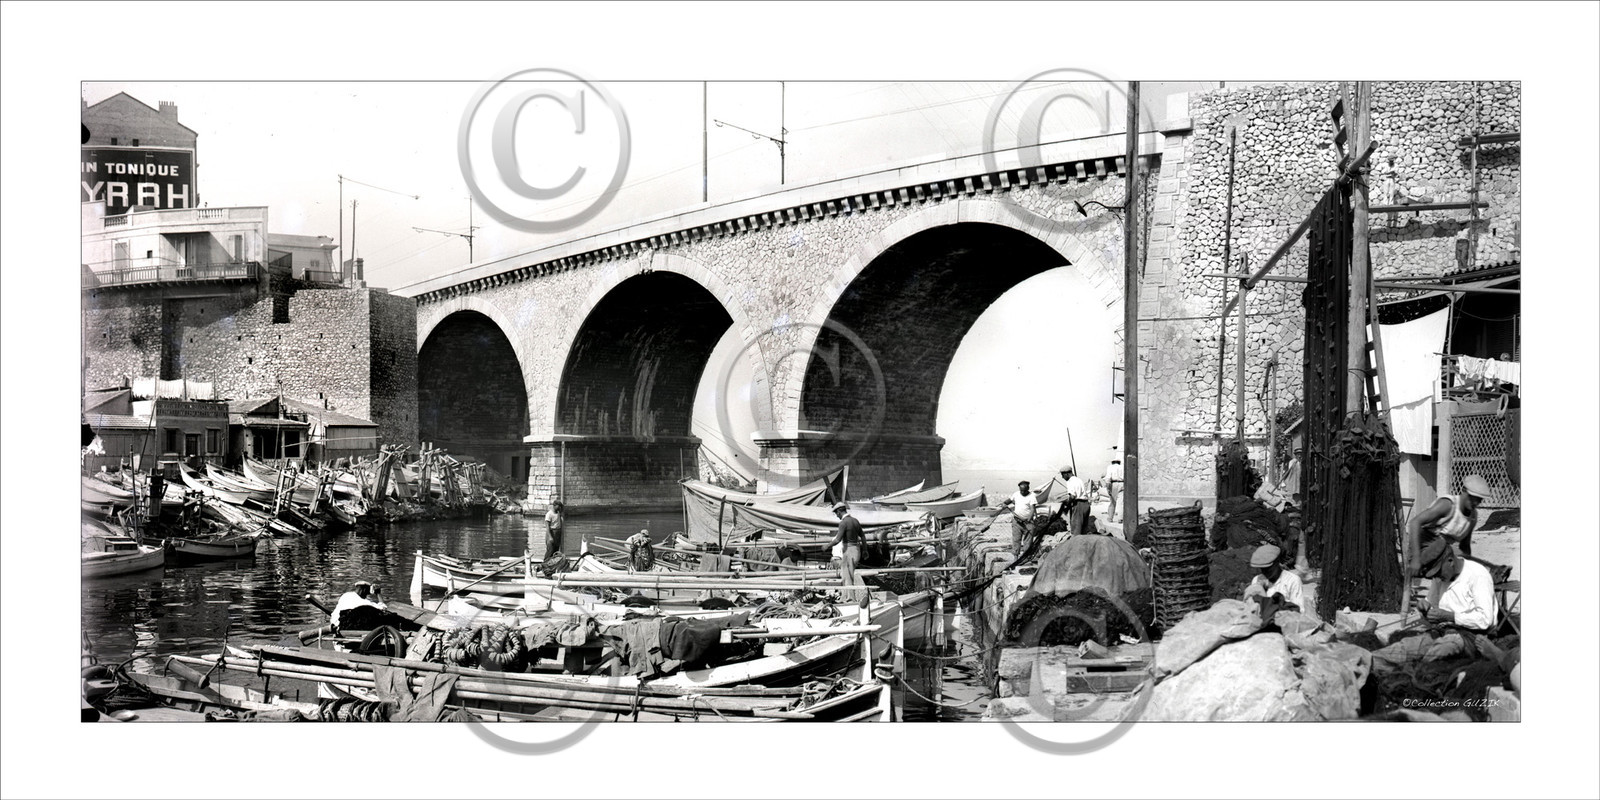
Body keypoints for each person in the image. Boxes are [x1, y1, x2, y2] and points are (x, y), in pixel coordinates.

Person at [1407, 474, 1492, 559]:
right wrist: (1415, 559)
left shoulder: (1472, 517)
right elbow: (1415, 522)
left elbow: (1465, 545)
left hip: (1445, 552)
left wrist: (1469, 564)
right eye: (1473, 498)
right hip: (1424, 549)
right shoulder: (1448, 504)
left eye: (1479, 500)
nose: (1476, 503)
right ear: (1464, 491)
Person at [1241, 544, 1304, 613]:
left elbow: (1298, 610)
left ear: (1277, 562)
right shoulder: (1257, 579)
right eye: (1262, 569)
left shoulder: (1292, 581)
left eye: (1268, 568)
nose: (1265, 572)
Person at [829, 502, 867, 601]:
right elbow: (862, 536)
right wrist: (865, 550)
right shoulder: (855, 521)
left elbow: (837, 540)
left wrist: (827, 546)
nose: (836, 515)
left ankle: (850, 599)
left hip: (849, 550)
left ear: (839, 511)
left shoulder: (843, 523)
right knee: (848, 574)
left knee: (847, 576)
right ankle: (846, 596)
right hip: (856, 550)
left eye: (836, 513)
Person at [1057, 466, 1090, 535]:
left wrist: (1067, 506)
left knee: (1076, 530)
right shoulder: (1079, 480)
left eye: (1062, 475)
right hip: (1086, 505)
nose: (1062, 477)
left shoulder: (1070, 481)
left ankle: (1076, 544)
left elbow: (1072, 496)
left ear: (1066, 474)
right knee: (1083, 530)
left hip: (1079, 505)